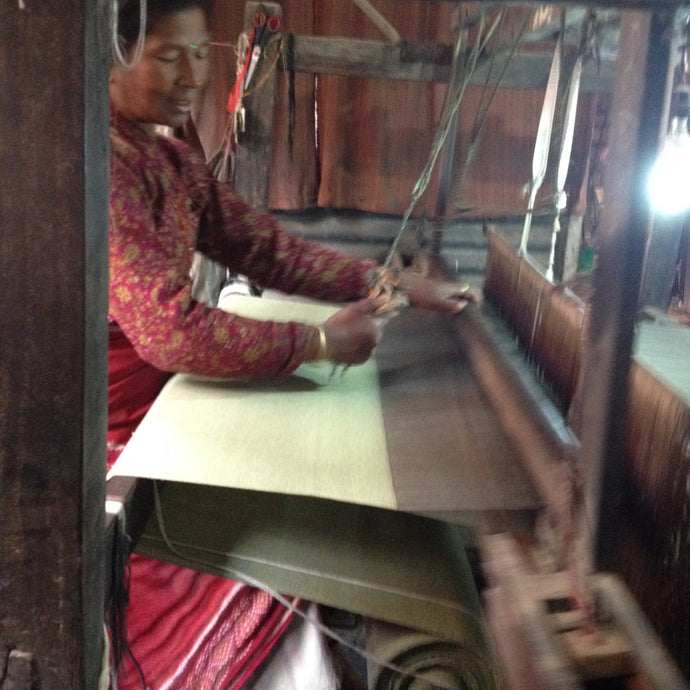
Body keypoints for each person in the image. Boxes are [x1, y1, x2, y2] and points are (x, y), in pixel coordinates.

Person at [107, 1, 475, 687]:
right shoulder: (103, 167)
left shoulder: (168, 156)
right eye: (167, 56)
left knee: (301, 544)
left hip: (158, 409)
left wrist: (389, 283)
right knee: (250, 570)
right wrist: (318, 344)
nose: (192, 74)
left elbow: (265, 249)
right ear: (111, 59)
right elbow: (168, 332)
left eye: (199, 51)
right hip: (106, 436)